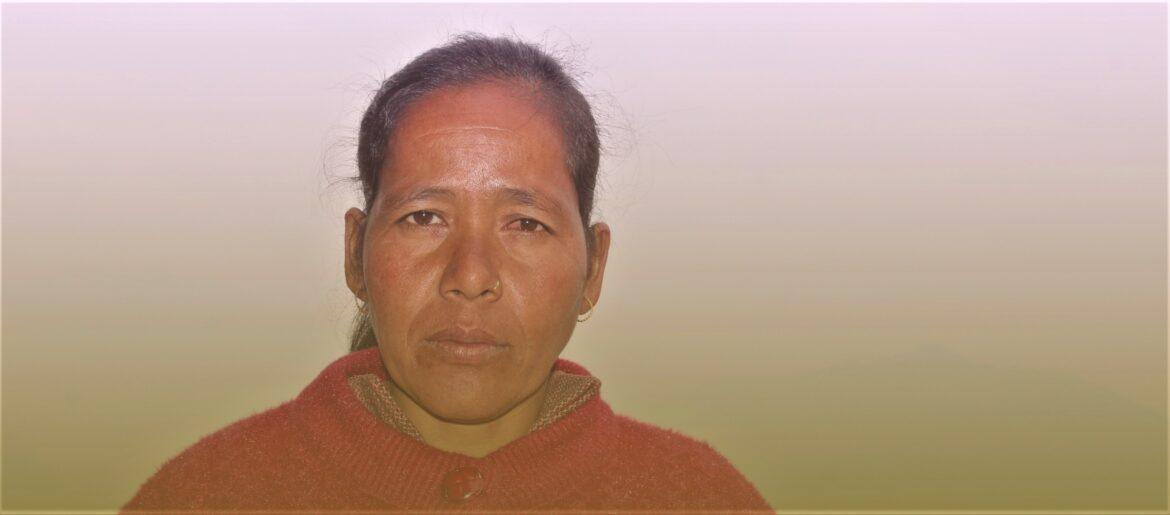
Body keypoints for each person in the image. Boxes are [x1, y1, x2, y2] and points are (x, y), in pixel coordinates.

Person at [122, 33, 773, 513]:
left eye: (526, 224)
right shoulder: (205, 495)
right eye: (425, 217)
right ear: (355, 254)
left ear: (593, 269)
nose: (470, 275)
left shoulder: (699, 497)